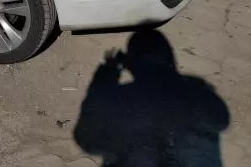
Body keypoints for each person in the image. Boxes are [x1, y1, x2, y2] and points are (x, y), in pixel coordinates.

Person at [74, 31, 229, 167]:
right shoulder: (193, 94)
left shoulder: (119, 98)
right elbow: (221, 120)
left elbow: (86, 138)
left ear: (134, 62)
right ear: (169, 59)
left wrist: (106, 75)